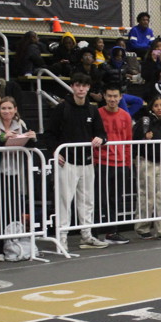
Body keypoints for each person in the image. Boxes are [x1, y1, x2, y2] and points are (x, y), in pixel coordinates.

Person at [46, 72, 110, 251]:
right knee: (64, 202)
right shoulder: (62, 108)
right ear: (72, 87)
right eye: (78, 85)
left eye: (84, 85)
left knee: (87, 201)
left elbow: (102, 133)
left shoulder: (92, 110)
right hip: (67, 163)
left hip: (87, 163)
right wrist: (55, 151)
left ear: (88, 88)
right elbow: (49, 134)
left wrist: (101, 139)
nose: (81, 89)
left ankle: (87, 236)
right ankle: (62, 238)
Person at [0, 96, 35, 260]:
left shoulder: (21, 124)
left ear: (15, 110)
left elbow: (31, 147)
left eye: (10, 108)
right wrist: (3, 138)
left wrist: (32, 138)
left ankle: (13, 245)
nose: (7, 111)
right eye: (3, 108)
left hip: (16, 173)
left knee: (15, 211)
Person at [95, 83, 133, 245]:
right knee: (99, 199)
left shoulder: (125, 116)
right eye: (109, 96)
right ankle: (94, 233)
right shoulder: (97, 113)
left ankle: (112, 232)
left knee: (115, 199)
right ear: (104, 96)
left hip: (120, 164)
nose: (112, 99)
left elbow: (128, 141)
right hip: (101, 162)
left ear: (120, 97)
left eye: (115, 96)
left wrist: (127, 163)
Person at [133, 96, 161, 240]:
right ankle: (142, 228)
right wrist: (144, 139)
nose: (159, 108)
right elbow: (134, 140)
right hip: (146, 161)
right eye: (156, 105)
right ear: (151, 107)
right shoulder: (145, 121)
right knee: (147, 195)